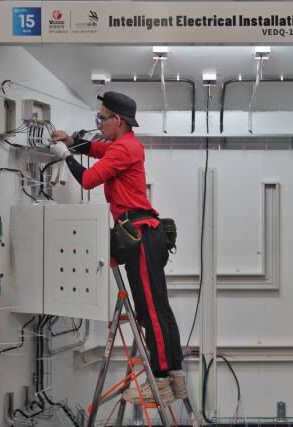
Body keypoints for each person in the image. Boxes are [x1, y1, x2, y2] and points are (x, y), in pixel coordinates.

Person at [49, 92, 185, 405]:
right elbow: (97, 149)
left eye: (102, 118)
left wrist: (65, 155)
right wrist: (72, 142)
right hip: (143, 234)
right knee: (159, 308)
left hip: (139, 235)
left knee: (150, 310)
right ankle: (175, 376)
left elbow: (87, 180)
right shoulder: (124, 145)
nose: (99, 123)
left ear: (117, 120)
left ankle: (160, 380)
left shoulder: (125, 148)